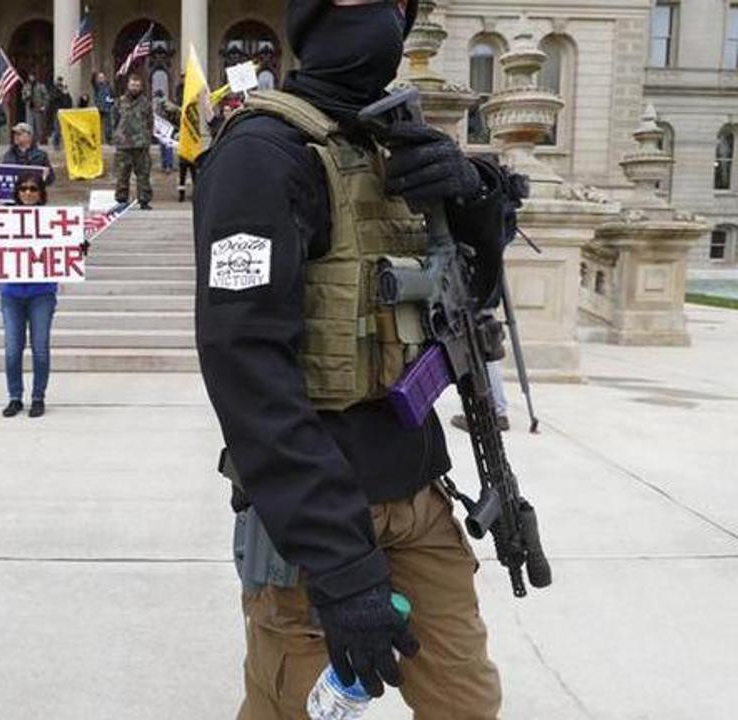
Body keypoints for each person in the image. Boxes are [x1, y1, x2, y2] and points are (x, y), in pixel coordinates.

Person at [193, 2, 523, 718]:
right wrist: (340, 566)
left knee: (467, 702)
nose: (381, 17)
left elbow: (465, 307)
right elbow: (244, 369)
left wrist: (472, 207)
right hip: (314, 516)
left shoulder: (393, 143)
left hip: (420, 494)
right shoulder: (262, 153)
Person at [0, 172, 57, 419]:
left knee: (40, 348)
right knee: (12, 349)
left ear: (41, 193)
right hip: (11, 292)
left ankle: (38, 397)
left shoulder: (52, 219)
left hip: (41, 292)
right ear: (16, 192)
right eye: (23, 189)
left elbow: (64, 248)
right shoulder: (3, 219)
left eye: (33, 188)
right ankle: (15, 397)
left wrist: (77, 246)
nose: (28, 193)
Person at [112, 75, 154, 210]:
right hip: (124, 144)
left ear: (140, 87)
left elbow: (150, 122)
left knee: (143, 174)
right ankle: (122, 200)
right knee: (122, 173)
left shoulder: (146, 103)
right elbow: (114, 119)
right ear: (128, 86)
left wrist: (147, 137)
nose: (134, 88)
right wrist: (117, 135)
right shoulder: (120, 101)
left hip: (141, 144)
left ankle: (144, 200)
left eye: (137, 85)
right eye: (132, 85)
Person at [2, 122, 54, 187]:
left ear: (29, 136)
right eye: (15, 134)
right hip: (13, 194)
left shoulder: (41, 155)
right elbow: (2, 176)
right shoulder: (9, 154)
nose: (16, 136)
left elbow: (50, 179)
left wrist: (46, 176)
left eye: (19, 134)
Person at [153, 89, 179, 174]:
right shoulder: (163, 102)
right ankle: (167, 165)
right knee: (166, 147)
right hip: (166, 128)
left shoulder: (163, 103)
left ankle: (167, 166)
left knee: (165, 148)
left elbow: (172, 111)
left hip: (164, 129)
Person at [49, 77, 74, 149]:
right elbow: (53, 99)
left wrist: (66, 94)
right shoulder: (54, 90)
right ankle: (56, 143)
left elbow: (69, 101)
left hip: (65, 111)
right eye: (58, 81)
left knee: (64, 128)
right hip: (58, 110)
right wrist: (61, 93)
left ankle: (63, 143)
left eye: (61, 81)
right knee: (57, 128)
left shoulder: (65, 91)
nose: (60, 83)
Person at [92, 71, 115, 142]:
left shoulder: (108, 86)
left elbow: (113, 96)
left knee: (108, 124)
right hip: (99, 107)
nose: (101, 79)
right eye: (99, 77)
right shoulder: (97, 86)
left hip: (107, 107)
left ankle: (109, 139)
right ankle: (98, 139)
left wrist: (111, 102)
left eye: (102, 77)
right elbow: (92, 81)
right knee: (97, 124)